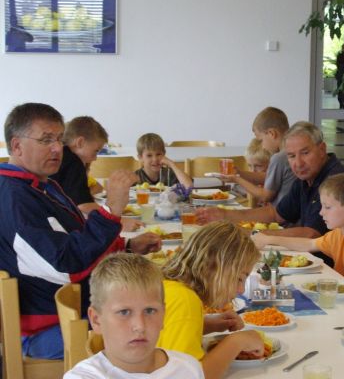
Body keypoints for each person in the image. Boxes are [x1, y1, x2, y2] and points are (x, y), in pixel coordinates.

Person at [0, 103, 161, 360]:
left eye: (59, 139)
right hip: (51, 327)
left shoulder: (41, 185)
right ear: (17, 146)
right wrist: (111, 211)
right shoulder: (14, 198)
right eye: (46, 140)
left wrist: (126, 247)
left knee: (165, 306)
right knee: (161, 325)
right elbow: (65, 266)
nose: (57, 148)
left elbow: (73, 240)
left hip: (78, 308)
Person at [197, 121, 344, 243]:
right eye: (291, 156)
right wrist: (225, 215)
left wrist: (252, 234)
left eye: (305, 153)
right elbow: (275, 214)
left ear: (322, 149)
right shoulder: (306, 178)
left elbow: (311, 234)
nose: (298, 163)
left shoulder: (336, 180)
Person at [252, 172, 344, 301]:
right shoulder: (340, 234)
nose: (321, 212)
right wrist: (269, 239)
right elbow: (309, 244)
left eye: (327, 207)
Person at [64, 253, 204, 378]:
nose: (140, 326)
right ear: (96, 320)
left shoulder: (189, 369)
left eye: (150, 311)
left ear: (163, 315)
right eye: (124, 312)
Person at [157, 221, 264, 379]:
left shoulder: (170, 287)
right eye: (239, 279)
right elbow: (190, 376)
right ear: (212, 267)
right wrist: (237, 341)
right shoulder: (185, 301)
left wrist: (205, 325)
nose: (241, 290)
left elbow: (164, 333)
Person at [50, 116, 142, 231]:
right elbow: (84, 205)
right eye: (96, 151)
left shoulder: (64, 155)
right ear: (80, 142)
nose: (95, 158)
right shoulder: (74, 162)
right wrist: (118, 221)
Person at [220, 106, 295, 207]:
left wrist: (236, 179)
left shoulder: (279, 158)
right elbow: (268, 177)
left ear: (272, 133)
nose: (262, 146)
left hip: (280, 214)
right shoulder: (293, 153)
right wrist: (239, 173)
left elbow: (265, 196)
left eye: (261, 140)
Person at [230, 138, 271, 205]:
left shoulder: (271, 184)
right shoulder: (250, 182)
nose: (252, 170)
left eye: (258, 166)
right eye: (249, 165)